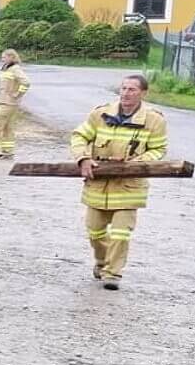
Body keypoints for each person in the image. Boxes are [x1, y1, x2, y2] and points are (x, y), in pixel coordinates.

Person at [70, 73, 168, 289]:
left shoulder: (154, 120)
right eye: (123, 88)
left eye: (132, 89)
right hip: (98, 184)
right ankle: (103, 262)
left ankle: (113, 274)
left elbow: (159, 149)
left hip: (129, 187)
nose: (126, 93)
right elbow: (79, 136)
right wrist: (82, 158)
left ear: (143, 93)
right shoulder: (100, 113)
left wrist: (136, 163)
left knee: (121, 234)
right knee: (95, 232)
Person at [0, 48, 30, 159]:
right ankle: (7, 152)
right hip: (4, 102)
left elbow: (26, 82)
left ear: (11, 57)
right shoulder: (6, 69)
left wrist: (18, 94)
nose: (2, 59)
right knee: (8, 127)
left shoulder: (15, 69)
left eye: (4, 57)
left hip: (9, 103)